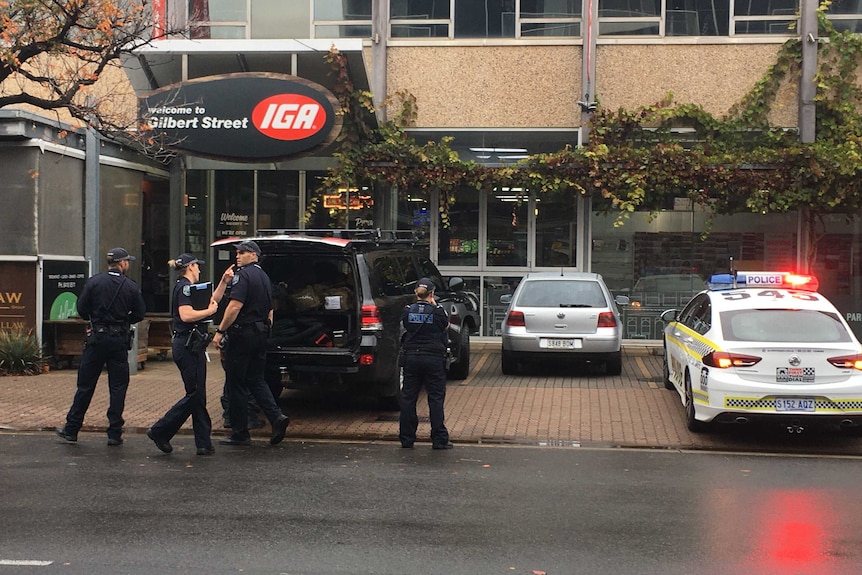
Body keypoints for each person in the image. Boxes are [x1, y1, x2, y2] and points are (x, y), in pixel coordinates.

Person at [56, 247, 147, 446]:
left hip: (97, 338)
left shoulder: (94, 282)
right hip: (118, 341)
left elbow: (81, 309)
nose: (128, 264)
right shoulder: (130, 286)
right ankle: (114, 433)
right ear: (122, 263)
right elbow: (140, 313)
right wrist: (124, 321)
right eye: (127, 261)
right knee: (118, 387)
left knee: (86, 385)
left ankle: (71, 429)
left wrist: (96, 320)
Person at [145, 254, 233, 456]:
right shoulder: (184, 288)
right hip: (186, 346)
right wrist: (209, 312)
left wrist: (223, 282)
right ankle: (160, 430)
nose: (200, 269)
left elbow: (213, 301)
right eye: (197, 266)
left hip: (193, 346)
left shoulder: (193, 289)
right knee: (194, 395)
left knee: (198, 395)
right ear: (190, 267)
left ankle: (203, 443)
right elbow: (186, 315)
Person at [212, 240, 290, 446]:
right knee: (256, 379)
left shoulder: (243, 275)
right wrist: (266, 331)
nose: (238, 256)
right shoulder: (264, 276)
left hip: (242, 335)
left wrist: (220, 331)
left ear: (254, 255)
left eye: (243, 252)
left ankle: (240, 432)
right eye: (237, 253)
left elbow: (235, 306)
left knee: (236, 383)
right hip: (261, 334)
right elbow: (270, 309)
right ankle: (276, 417)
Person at [398, 277, 453, 450]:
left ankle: (407, 439)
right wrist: (433, 304)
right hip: (434, 359)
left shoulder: (407, 310)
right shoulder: (438, 311)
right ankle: (439, 439)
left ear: (416, 292)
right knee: (435, 399)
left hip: (412, 358)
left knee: (408, 398)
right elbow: (446, 326)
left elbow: (406, 326)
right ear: (432, 293)